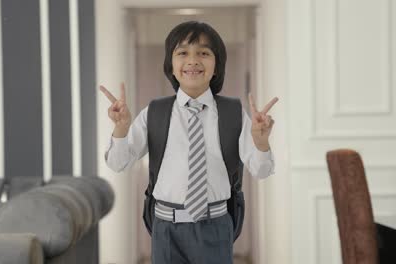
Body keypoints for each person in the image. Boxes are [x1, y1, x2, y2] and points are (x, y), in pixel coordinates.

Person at [100, 20, 278, 264]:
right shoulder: (154, 112)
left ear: (216, 67)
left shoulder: (233, 113)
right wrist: (121, 129)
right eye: (182, 52)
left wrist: (261, 142)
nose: (193, 60)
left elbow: (262, 169)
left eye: (204, 53)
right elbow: (118, 163)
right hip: (166, 228)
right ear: (171, 66)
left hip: (215, 226)